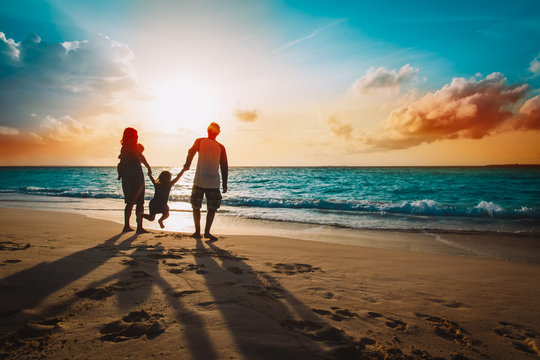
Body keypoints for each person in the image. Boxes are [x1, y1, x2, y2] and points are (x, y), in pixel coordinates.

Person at [183, 122, 228, 241]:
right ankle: (206, 232)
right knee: (212, 208)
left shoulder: (200, 141)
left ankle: (198, 232)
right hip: (213, 182)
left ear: (208, 130)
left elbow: (190, 152)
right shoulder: (220, 147)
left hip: (200, 180)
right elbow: (224, 166)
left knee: (196, 206)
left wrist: (187, 164)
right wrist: (225, 183)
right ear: (218, 133)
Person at [118, 127, 151, 233]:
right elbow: (140, 156)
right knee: (140, 202)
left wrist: (120, 174)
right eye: (136, 134)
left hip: (127, 177)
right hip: (136, 176)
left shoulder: (123, 147)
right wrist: (148, 167)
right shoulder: (132, 144)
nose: (137, 136)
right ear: (132, 135)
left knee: (130, 202)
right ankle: (139, 227)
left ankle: (126, 226)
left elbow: (121, 164)